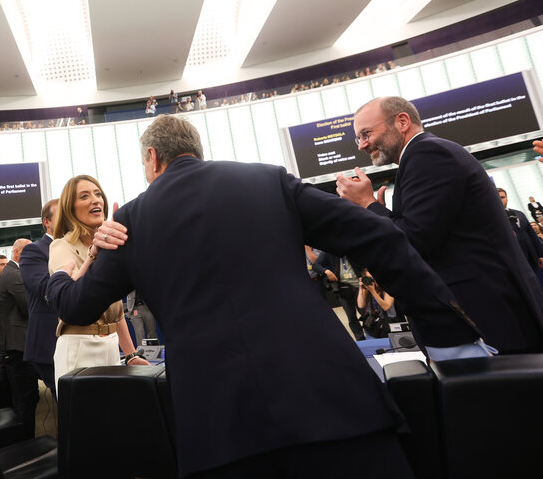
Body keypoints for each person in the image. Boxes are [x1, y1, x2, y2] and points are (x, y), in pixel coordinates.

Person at [46, 114, 480, 478]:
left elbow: (76, 306)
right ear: (195, 149)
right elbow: (380, 237)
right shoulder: (268, 180)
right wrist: (447, 332)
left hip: (219, 434)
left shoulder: (131, 222)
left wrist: (61, 273)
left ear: (151, 158)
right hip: (334, 407)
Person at [337, 96, 543, 355]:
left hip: (488, 315)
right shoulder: (422, 157)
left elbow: (415, 241)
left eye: (366, 133)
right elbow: (428, 231)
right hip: (487, 311)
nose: (362, 145)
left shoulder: (427, 154)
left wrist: (368, 205)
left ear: (402, 121)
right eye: (359, 138)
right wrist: (378, 212)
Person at [48, 175, 148, 390]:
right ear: (70, 209)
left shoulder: (110, 245)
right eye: (84, 196)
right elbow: (71, 296)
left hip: (111, 345)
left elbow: (115, 309)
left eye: (97, 194)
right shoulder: (60, 246)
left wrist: (130, 355)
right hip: (79, 345)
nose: (95, 200)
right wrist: (93, 255)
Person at [0, 238, 39, 436]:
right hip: (17, 347)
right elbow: (29, 306)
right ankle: (27, 444)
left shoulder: (13, 272)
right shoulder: (14, 274)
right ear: (18, 253)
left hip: (18, 345)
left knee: (25, 397)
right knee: (25, 399)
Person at [19, 199, 59, 393]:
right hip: (50, 343)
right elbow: (47, 289)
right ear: (47, 222)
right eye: (61, 215)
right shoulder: (34, 250)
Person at [498, 187, 543, 273]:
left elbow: (532, 235)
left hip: (532, 256)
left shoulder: (519, 213)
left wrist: (540, 255)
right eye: (497, 197)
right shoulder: (492, 217)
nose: (500, 199)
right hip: (514, 260)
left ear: (507, 198)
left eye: (502, 197)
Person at [356, 269, 399, 338]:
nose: (372, 280)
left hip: (388, 326)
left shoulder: (388, 288)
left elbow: (386, 307)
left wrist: (373, 291)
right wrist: (361, 288)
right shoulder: (367, 290)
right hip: (372, 325)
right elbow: (361, 305)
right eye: (369, 278)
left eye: (373, 277)